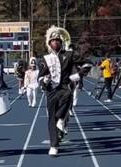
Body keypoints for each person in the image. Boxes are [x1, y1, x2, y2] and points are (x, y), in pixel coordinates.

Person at [38, 26, 91, 156]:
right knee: (51, 119)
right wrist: (44, 80)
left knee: (68, 96)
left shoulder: (69, 55)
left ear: (61, 42)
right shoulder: (45, 58)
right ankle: (54, 145)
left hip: (64, 87)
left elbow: (87, 64)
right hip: (51, 90)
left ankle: (61, 119)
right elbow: (40, 76)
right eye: (53, 41)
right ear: (49, 43)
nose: (55, 42)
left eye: (57, 40)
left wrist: (78, 75)